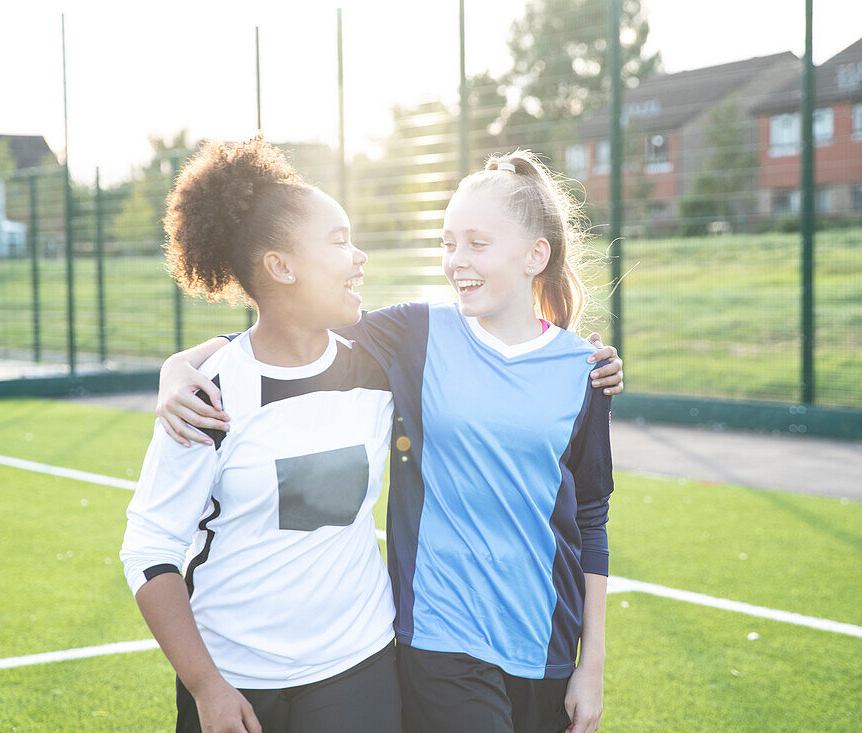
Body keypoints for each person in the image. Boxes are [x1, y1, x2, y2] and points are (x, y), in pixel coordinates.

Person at [158, 150, 623, 733]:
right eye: (448, 243)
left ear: (537, 255)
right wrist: (179, 365)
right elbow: (287, 327)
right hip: (439, 636)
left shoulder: (585, 370)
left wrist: (592, 664)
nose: (457, 261)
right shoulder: (417, 334)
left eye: (476, 244)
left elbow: (591, 517)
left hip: (547, 642)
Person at [120, 137, 403, 733]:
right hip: (236, 687)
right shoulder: (207, 394)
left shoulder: (382, 365)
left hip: (361, 667)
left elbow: (492, 341)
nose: (359, 256)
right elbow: (149, 551)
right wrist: (208, 688)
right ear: (281, 265)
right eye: (338, 240)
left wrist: (585, 364)